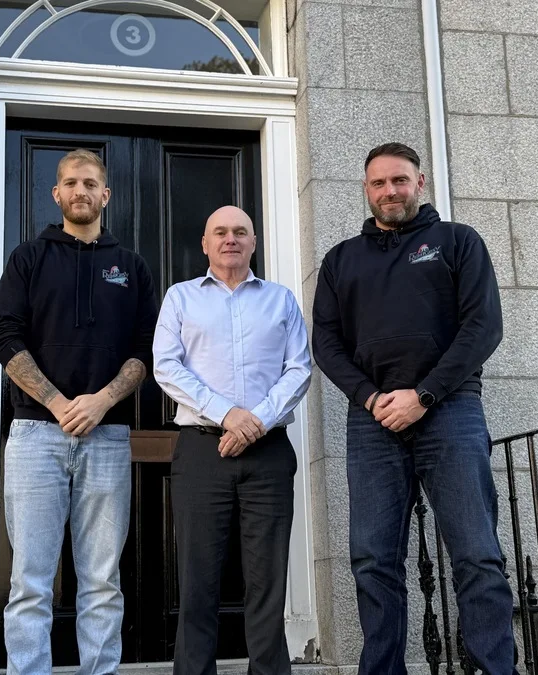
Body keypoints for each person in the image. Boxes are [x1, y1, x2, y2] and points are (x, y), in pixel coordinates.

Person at [312, 143, 517, 674]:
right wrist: (372, 397)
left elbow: (482, 328)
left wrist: (424, 395)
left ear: (420, 182)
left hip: (449, 412)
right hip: (373, 419)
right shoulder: (340, 260)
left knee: (476, 555)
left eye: (399, 180)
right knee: (373, 561)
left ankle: (494, 668)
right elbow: (327, 344)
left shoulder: (457, 242)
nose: (390, 192)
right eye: (378, 183)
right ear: (366, 189)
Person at [0, 149, 158, 675]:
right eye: (69, 183)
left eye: (90, 183)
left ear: (105, 195)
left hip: (107, 439)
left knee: (102, 581)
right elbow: (4, 337)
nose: (80, 191)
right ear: (57, 194)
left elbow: (147, 349)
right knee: (30, 581)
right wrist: (60, 404)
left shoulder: (130, 267)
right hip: (35, 436)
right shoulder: (28, 259)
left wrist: (103, 400)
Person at [152, 205, 311, 675]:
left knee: (268, 581)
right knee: (198, 580)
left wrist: (255, 422)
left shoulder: (281, 300)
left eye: (241, 232)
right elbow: (166, 365)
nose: (230, 239)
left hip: (269, 453)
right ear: (204, 243)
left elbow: (299, 369)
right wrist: (229, 416)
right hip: (201, 451)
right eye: (219, 232)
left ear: (254, 242)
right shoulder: (180, 298)